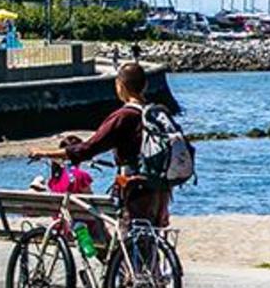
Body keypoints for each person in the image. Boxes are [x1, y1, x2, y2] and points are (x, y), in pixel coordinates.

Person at [29, 61, 172, 230]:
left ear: (120, 86)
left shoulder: (123, 116)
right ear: (145, 85)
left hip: (133, 186)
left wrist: (45, 153)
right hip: (160, 187)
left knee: (129, 240)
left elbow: (87, 148)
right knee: (147, 240)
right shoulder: (157, 114)